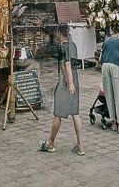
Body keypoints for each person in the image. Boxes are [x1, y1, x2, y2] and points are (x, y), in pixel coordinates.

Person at [39, 23, 84, 156]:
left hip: (66, 82)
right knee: (75, 113)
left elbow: (67, 64)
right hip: (74, 79)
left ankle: (50, 142)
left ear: (59, 33)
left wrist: (69, 82)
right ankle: (80, 145)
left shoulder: (63, 47)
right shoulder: (73, 45)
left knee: (58, 113)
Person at [99, 31, 119, 133]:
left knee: (109, 96)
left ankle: (113, 122)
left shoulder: (107, 41)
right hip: (116, 66)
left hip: (105, 66)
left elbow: (100, 59)